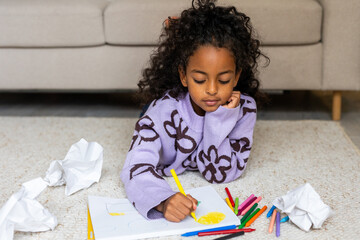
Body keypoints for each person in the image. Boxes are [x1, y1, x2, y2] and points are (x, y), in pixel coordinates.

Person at [120, 0, 269, 223]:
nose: (211, 90)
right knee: (148, 123)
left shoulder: (244, 109)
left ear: (237, 76)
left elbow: (218, 175)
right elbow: (135, 168)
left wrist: (220, 119)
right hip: (165, 112)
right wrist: (163, 200)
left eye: (224, 79)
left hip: (195, 117)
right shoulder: (160, 115)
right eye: (199, 79)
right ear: (184, 76)